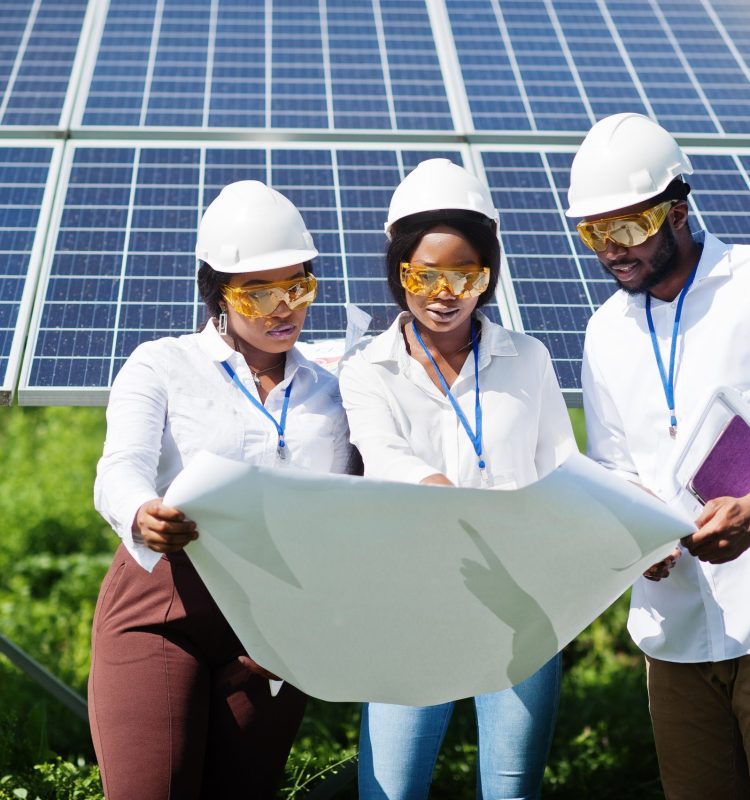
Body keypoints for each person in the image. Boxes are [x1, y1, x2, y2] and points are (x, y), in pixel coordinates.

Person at [89, 180, 351, 800]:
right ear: (216, 292)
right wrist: (140, 511)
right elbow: (118, 467)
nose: (282, 307)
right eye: (257, 292)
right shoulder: (162, 364)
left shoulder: (335, 387)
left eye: (297, 286)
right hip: (164, 608)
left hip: (276, 626)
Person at [338, 158, 577, 800]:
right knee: (390, 790)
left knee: (510, 791)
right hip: (411, 606)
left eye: (465, 275)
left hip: (522, 605)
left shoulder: (527, 359)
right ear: (399, 273)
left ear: (487, 276)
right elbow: (381, 455)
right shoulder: (368, 370)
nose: (446, 293)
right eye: (424, 275)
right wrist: (441, 492)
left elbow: (561, 468)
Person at [570, 112, 750, 799]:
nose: (611, 250)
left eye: (628, 229)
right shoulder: (603, 331)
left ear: (678, 211)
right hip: (672, 632)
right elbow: (614, 467)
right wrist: (631, 531)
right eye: (594, 233)